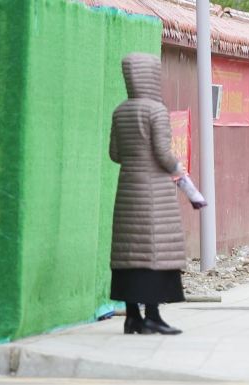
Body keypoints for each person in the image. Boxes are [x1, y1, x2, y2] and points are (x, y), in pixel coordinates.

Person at [109, 53, 202, 335]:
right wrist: (180, 172)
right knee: (154, 252)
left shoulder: (120, 110)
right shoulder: (156, 111)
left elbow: (114, 154)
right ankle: (153, 316)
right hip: (155, 192)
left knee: (129, 253)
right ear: (151, 76)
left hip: (127, 188)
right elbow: (163, 153)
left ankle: (132, 318)